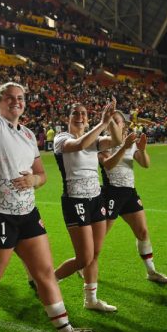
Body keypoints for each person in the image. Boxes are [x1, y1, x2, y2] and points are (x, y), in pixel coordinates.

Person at [0, 31, 100, 332]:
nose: (16, 102)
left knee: (45, 274)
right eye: (10, 97)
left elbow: (42, 174)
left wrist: (34, 182)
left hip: (28, 212)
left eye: (21, 98)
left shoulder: (28, 134)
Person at [53, 99, 122, 312]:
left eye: (83, 113)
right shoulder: (61, 138)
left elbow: (117, 140)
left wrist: (110, 120)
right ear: (67, 118)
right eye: (75, 113)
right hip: (76, 200)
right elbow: (79, 145)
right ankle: (47, 281)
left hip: (96, 199)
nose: (80, 116)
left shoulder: (95, 139)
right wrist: (102, 123)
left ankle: (91, 300)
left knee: (95, 253)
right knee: (84, 257)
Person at [99, 112, 167, 284]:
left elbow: (145, 164)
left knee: (143, 232)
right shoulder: (103, 142)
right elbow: (107, 164)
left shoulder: (130, 141)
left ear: (123, 124)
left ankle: (151, 271)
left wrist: (142, 149)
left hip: (129, 193)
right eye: (111, 122)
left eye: (116, 121)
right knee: (99, 237)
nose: (113, 124)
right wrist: (124, 147)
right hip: (112, 193)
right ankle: (83, 265)